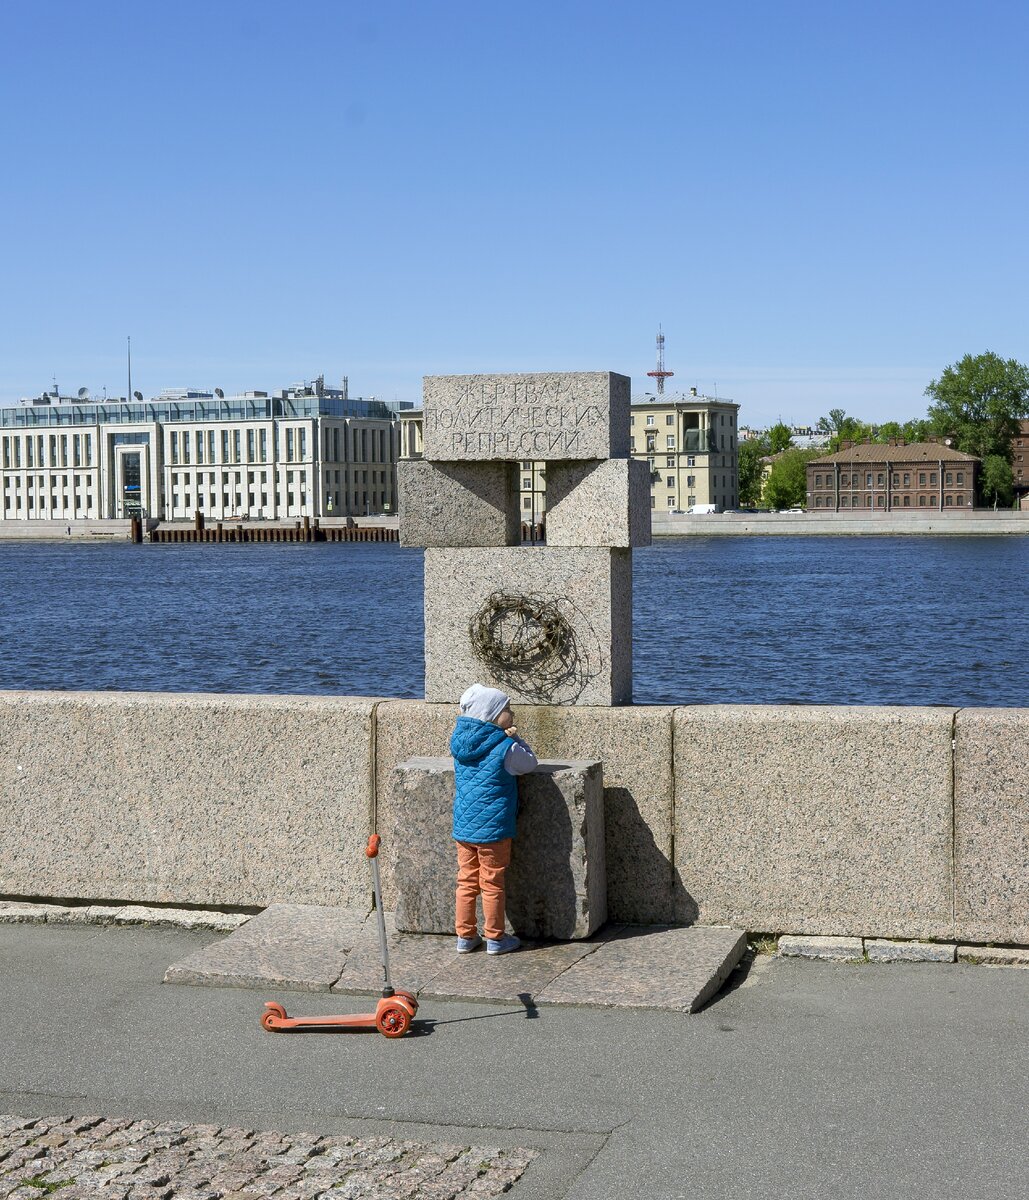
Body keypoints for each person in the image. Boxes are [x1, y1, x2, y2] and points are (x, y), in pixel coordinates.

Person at [451, 683, 538, 955]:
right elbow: (529, 764)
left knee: (466, 880)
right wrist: (517, 739)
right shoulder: (505, 746)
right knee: (491, 883)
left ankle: (465, 936)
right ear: (491, 714)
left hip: (464, 827)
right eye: (506, 709)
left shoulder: (459, 741)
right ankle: (495, 938)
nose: (511, 713)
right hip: (494, 828)